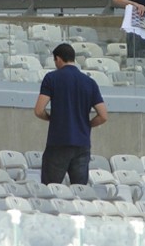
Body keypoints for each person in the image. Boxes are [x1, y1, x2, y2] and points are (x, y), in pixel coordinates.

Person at [34, 43, 108, 185]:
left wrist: (51, 118)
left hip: (58, 141)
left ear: (58, 59)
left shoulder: (51, 78)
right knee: (79, 191)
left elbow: (38, 110)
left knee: (51, 189)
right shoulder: (90, 82)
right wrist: (87, 125)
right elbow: (103, 115)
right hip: (82, 143)